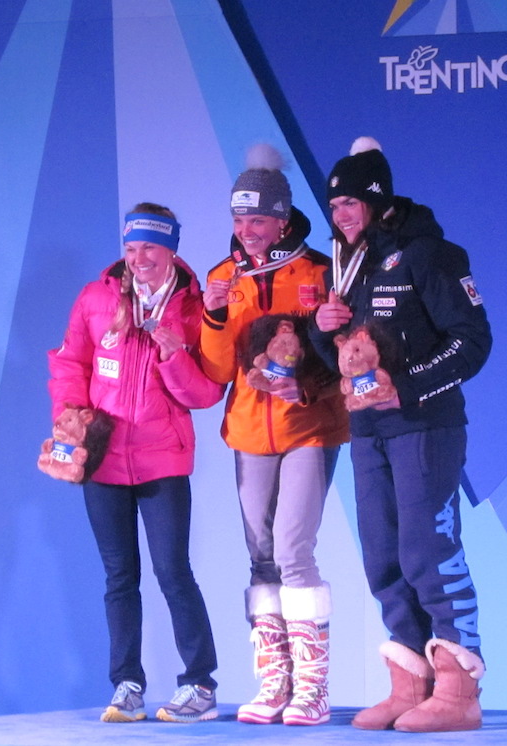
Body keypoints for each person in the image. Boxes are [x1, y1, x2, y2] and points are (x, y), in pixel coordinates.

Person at [311, 137, 492, 733]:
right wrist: (322, 333)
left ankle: (458, 691)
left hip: (424, 426)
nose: (339, 216)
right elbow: (353, 360)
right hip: (369, 431)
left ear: (377, 198)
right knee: (383, 557)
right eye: (332, 207)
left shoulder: (430, 253)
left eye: (349, 203)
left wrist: (406, 386)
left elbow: (472, 341)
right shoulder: (350, 265)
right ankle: (411, 683)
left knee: (428, 551)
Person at [47, 203, 222, 724]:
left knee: (173, 573)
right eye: (130, 247)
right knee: (119, 577)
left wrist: (173, 355)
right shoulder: (96, 297)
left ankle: (199, 685)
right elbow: (70, 363)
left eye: (148, 246)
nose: (137, 257)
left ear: (170, 249)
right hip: (102, 462)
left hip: (162, 459)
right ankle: (127, 685)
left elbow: (208, 392)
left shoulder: (193, 307)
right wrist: (70, 418)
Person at [200, 145, 349, 726]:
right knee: (260, 556)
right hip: (247, 433)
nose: (247, 230)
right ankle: (274, 684)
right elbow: (216, 372)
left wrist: (310, 390)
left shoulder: (320, 271)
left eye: (257, 219)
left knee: (291, 550)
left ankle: (312, 690)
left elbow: (346, 359)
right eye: (238, 220)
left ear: (283, 219)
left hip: (309, 427)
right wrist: (213, 317)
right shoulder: (222, 278)